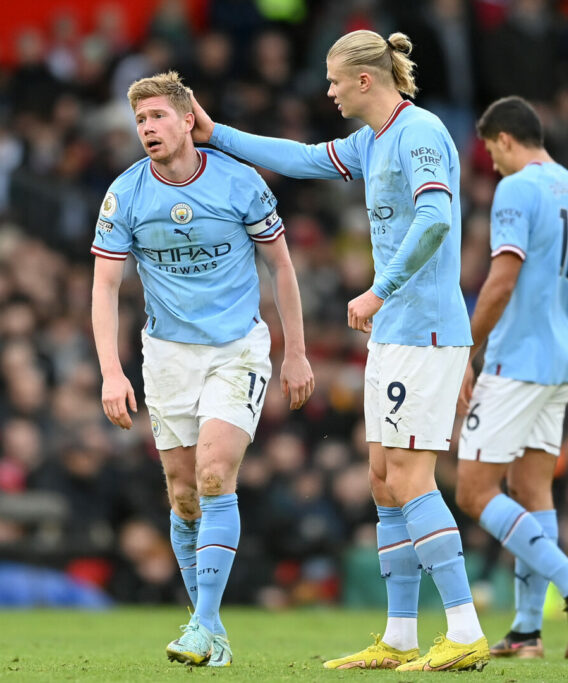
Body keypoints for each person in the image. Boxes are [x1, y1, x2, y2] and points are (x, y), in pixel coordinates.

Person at [189, 30, 489, 672]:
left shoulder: (421, 133)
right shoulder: (369, 141)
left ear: (363, 80)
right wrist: (217, 135)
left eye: (332, 79)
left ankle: (464, 629)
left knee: (410, 479)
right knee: (382, 481)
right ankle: (401, 636)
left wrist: (378, 291)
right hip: (394, 335)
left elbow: (437, 220)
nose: (325, 89)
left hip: (425, 330)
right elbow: (297, 157)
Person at [90, 71, 314, 668]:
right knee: (184, 495)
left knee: (215, 474)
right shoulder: (126, 194)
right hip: (166, 356)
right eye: (140, 121)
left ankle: (205, 623)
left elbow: (282, 269)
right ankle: (208, 633)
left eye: (158, 117)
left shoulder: (241, 183)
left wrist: (295, 351)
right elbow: (106, 286)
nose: (147, 129)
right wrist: (112, 372)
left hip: (236, 348)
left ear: (188, 120)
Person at [453, 96, 568, 660]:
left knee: (473, 491)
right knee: (531, 489)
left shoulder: (517, 188)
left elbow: (501, 281)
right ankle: (526, 632)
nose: (492, 165)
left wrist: (463, 350)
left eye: (491, 153)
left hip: (517, 360)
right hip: (563, 365)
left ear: (503, 140)